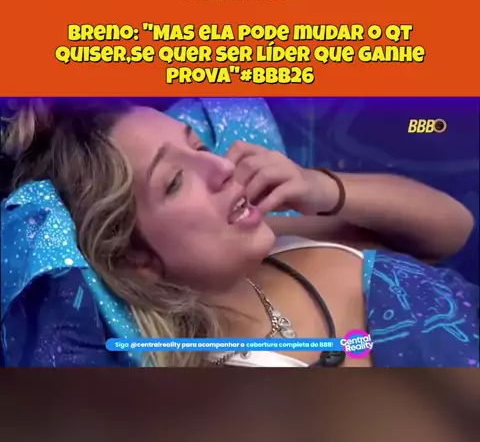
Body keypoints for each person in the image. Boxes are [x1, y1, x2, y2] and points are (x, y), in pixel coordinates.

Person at [1, 99, 478, 368]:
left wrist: (319, 187)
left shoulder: (282, 235)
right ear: (133, 258)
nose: (221, 167)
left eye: (198, 145)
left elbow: (452, 229)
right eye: (175, 181)